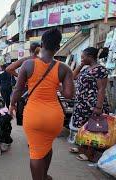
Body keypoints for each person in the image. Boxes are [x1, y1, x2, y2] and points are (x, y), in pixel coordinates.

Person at [9, 29, 74, 180]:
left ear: (42, 44)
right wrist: (56, 85)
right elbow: (69, 95)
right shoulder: (64, 68)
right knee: (46, 146)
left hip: (34, 115)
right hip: (54, 117)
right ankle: (44, 176)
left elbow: (18, 90)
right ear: (57, 47)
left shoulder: (28, 65)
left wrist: (12, 105)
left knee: (36, 152)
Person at [68, 47, 109, 160]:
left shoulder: (100, 69)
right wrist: (81, 65)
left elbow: (101, 89)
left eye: (83, 57)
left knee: (93, 129)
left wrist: (99, 107)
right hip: (82, 104)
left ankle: (90, 153)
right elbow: (72, 76)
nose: (81, 59)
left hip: (93, 104)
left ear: (90, 56)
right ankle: (82, 148)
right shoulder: (87, 69)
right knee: (83, 127)